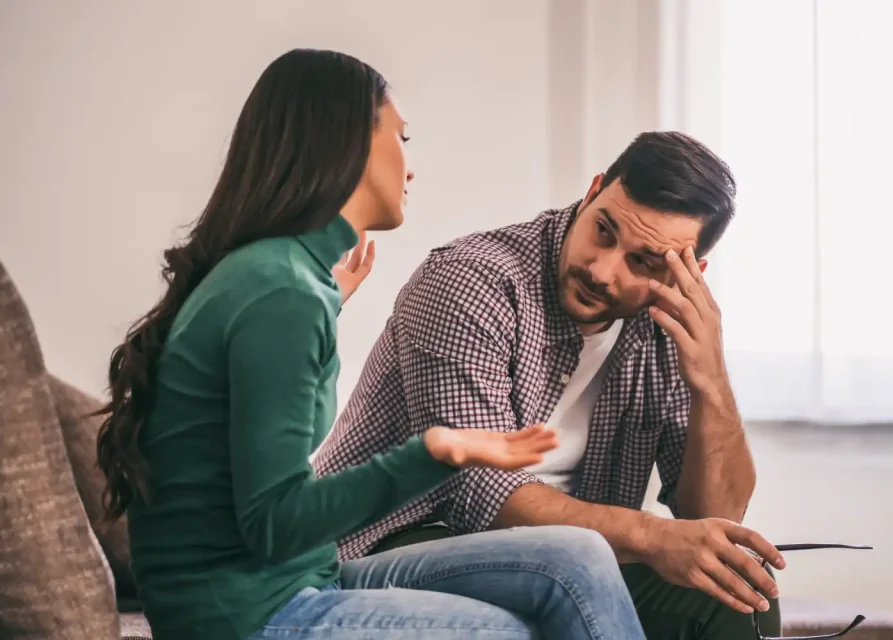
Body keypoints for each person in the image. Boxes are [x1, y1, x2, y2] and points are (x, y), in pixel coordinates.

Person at [94, 48, 647, 640]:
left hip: (298, 577)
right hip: (242, 612)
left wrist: (325, 305)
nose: (411, 168)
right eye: (403, 138)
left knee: (578, 557)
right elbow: (276, 524)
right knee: (509, 632)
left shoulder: (282, 279)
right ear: (351, 140)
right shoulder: (280, 291)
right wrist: (435, 452)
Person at [312, 130, 788, 639]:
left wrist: (711, 379)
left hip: (565, 563)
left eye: (642, 262)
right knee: (567, 566)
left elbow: (714, 516)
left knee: (739, 596)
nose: (602, 270)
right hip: (389, 544)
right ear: (593, 191)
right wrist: (651, 535)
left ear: (686, 273)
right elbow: (479, 495)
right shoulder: (471, 281)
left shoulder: (668, 326)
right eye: (603, 231)